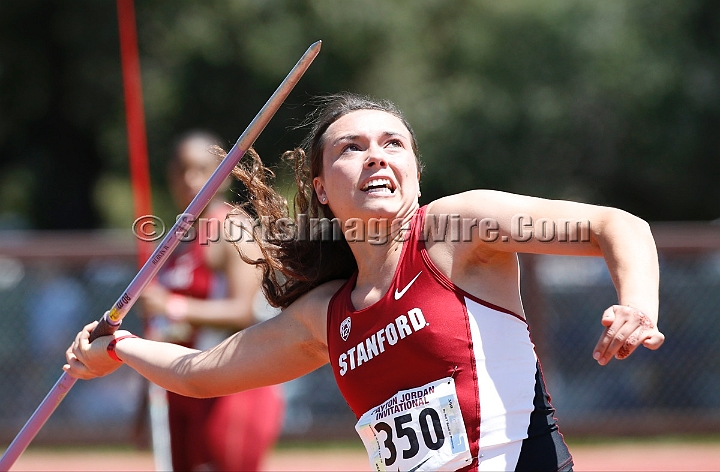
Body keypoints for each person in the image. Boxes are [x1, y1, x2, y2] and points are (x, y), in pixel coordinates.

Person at [66, 94, 665, 472]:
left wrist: (636, 303)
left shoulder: (457, 232)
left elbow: (616, 225)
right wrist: (116, 346)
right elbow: (201, 372)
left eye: (393, 144)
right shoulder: (326, 314)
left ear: (414, 171)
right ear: (322, 188)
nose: (377, 156)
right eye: (352, 148)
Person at [139, 130, 284, 471]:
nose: (191, 180)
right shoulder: (175, 239)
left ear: (221, 174)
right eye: (182, 170)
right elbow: (161, 329)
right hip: (181, 385)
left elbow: (243, 311)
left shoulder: (233, 227)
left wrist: (172, 306)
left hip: (231, 386)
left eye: (202, 170)